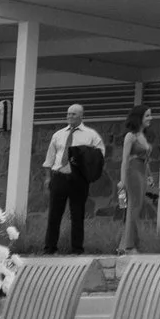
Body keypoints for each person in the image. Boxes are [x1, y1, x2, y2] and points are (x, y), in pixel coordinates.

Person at [43, 104, 105, 255]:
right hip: (59, 176)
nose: (70, 117)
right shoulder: (58, 134)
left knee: (77, 214)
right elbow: (50, 157)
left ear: (81, 116)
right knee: (54, 214)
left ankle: (77, 249)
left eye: (74, 114)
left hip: (78, 178)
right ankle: (49, 248)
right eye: (68, 114)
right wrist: (47, 178)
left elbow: (100, 154)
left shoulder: (90, 135)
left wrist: (86, 162)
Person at [116, 106, 156, 254]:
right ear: (139, 118)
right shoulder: (130, 136)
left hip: (143, 171)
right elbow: (124, 160)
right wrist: (122, 180)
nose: (150, 118)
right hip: (132, 172)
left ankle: (124, 244)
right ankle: (129, 246)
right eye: (147, 116)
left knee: (137, 208)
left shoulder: (143, 135)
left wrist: (150, 175)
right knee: (133, 207)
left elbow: (146, 159)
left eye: (150, 115)